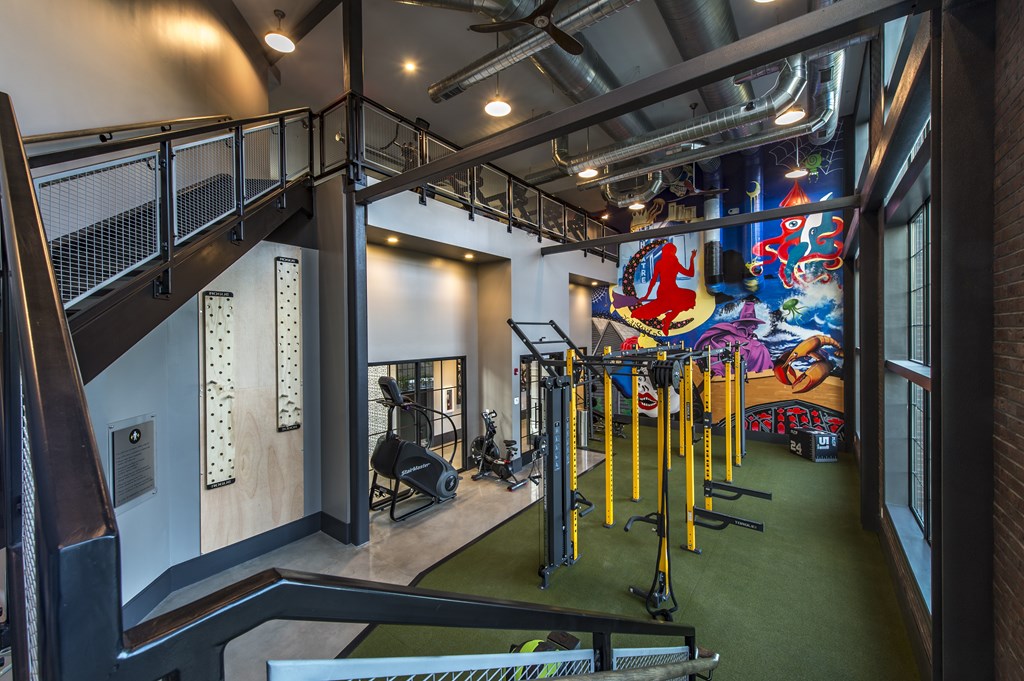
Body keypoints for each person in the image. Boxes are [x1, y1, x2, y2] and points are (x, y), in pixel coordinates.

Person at [631, 242, 698, 335]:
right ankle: (667, 320)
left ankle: (667, 321)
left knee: (685, 299)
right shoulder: (670, 263)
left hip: (670, 291)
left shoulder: (665, 263)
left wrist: (646, 296)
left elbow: (653, 281)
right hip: (667, 292)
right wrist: (692, 259)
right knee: (682, 301)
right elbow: (653, 281)